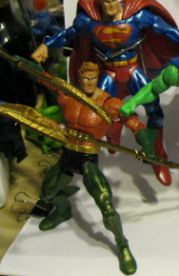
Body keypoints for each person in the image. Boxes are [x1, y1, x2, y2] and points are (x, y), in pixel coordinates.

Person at [31, 0, 179, 186]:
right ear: (101, 1)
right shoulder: (89, 20)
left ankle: (158, 158)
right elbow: (68, 34)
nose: (111, 6)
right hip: (108, 72)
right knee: (97, 112)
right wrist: (46, 45)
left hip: (133, 70)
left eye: (114, 0)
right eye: (106, 2)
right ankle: (109, 138)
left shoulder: (136, 16)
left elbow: (168, 31)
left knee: (155, 111)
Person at [37, 61, 150, 275]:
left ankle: (122, 244)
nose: (88, 83)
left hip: (88, 158)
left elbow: (130, 117)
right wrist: (24, 63)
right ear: (79, 78)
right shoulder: (70, 95)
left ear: (97, 78)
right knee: (46, 193)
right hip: (68, 154)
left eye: (92, 79)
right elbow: (47, 80)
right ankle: (63, 210)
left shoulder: (107, 102)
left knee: (105, 204)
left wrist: (144, 141)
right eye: (84, 78)